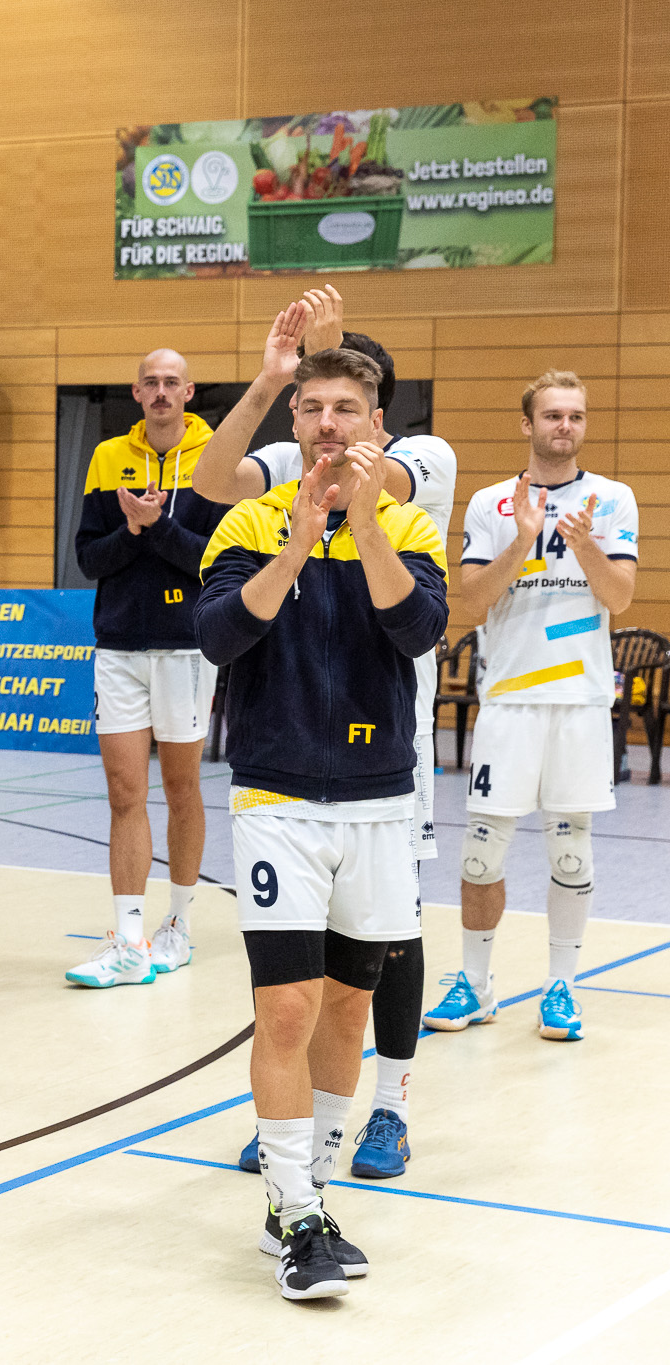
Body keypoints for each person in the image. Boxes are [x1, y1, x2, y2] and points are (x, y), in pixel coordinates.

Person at [196, 346, 449, 1300]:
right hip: (277, 799)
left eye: (347, 408)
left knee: (350, 1005)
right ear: (292, 422)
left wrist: (361, 524)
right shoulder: (249, 522)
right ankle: (296, 1209)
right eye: (313, 408)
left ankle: (310, 1191)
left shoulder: (411, 520)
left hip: (383, 800)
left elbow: (419, 628)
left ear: (374, 423)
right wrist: (297, 545)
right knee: (289, 1006)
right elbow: (219, 636)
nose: (329, 423)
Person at [423, 371, 636, 1042]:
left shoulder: (612, 499)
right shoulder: (491, 502)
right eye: (552, 415)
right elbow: (473, 601)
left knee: (571, 853)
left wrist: (580, 543)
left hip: (578, 700)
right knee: (481, 855)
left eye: (574, 415)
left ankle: (561, 988)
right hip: (510, 700)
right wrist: (524, 539)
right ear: (528, 424)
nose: (564, 426)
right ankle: (477, 985)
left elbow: (621, 598)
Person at [67, 348, 223, 987]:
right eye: (150, 383)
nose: (161, 392)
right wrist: (132, 533)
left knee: (183, 790)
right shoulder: (109, 459)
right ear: (136, 393)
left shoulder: (217, 461)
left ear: (189, 392)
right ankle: (129, 941)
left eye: (171, 383)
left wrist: (154, 526)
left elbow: (211, 561)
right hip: (119, 649)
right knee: (125, 794)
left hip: (186, 647)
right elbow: (88, 560)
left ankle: (178, 925)